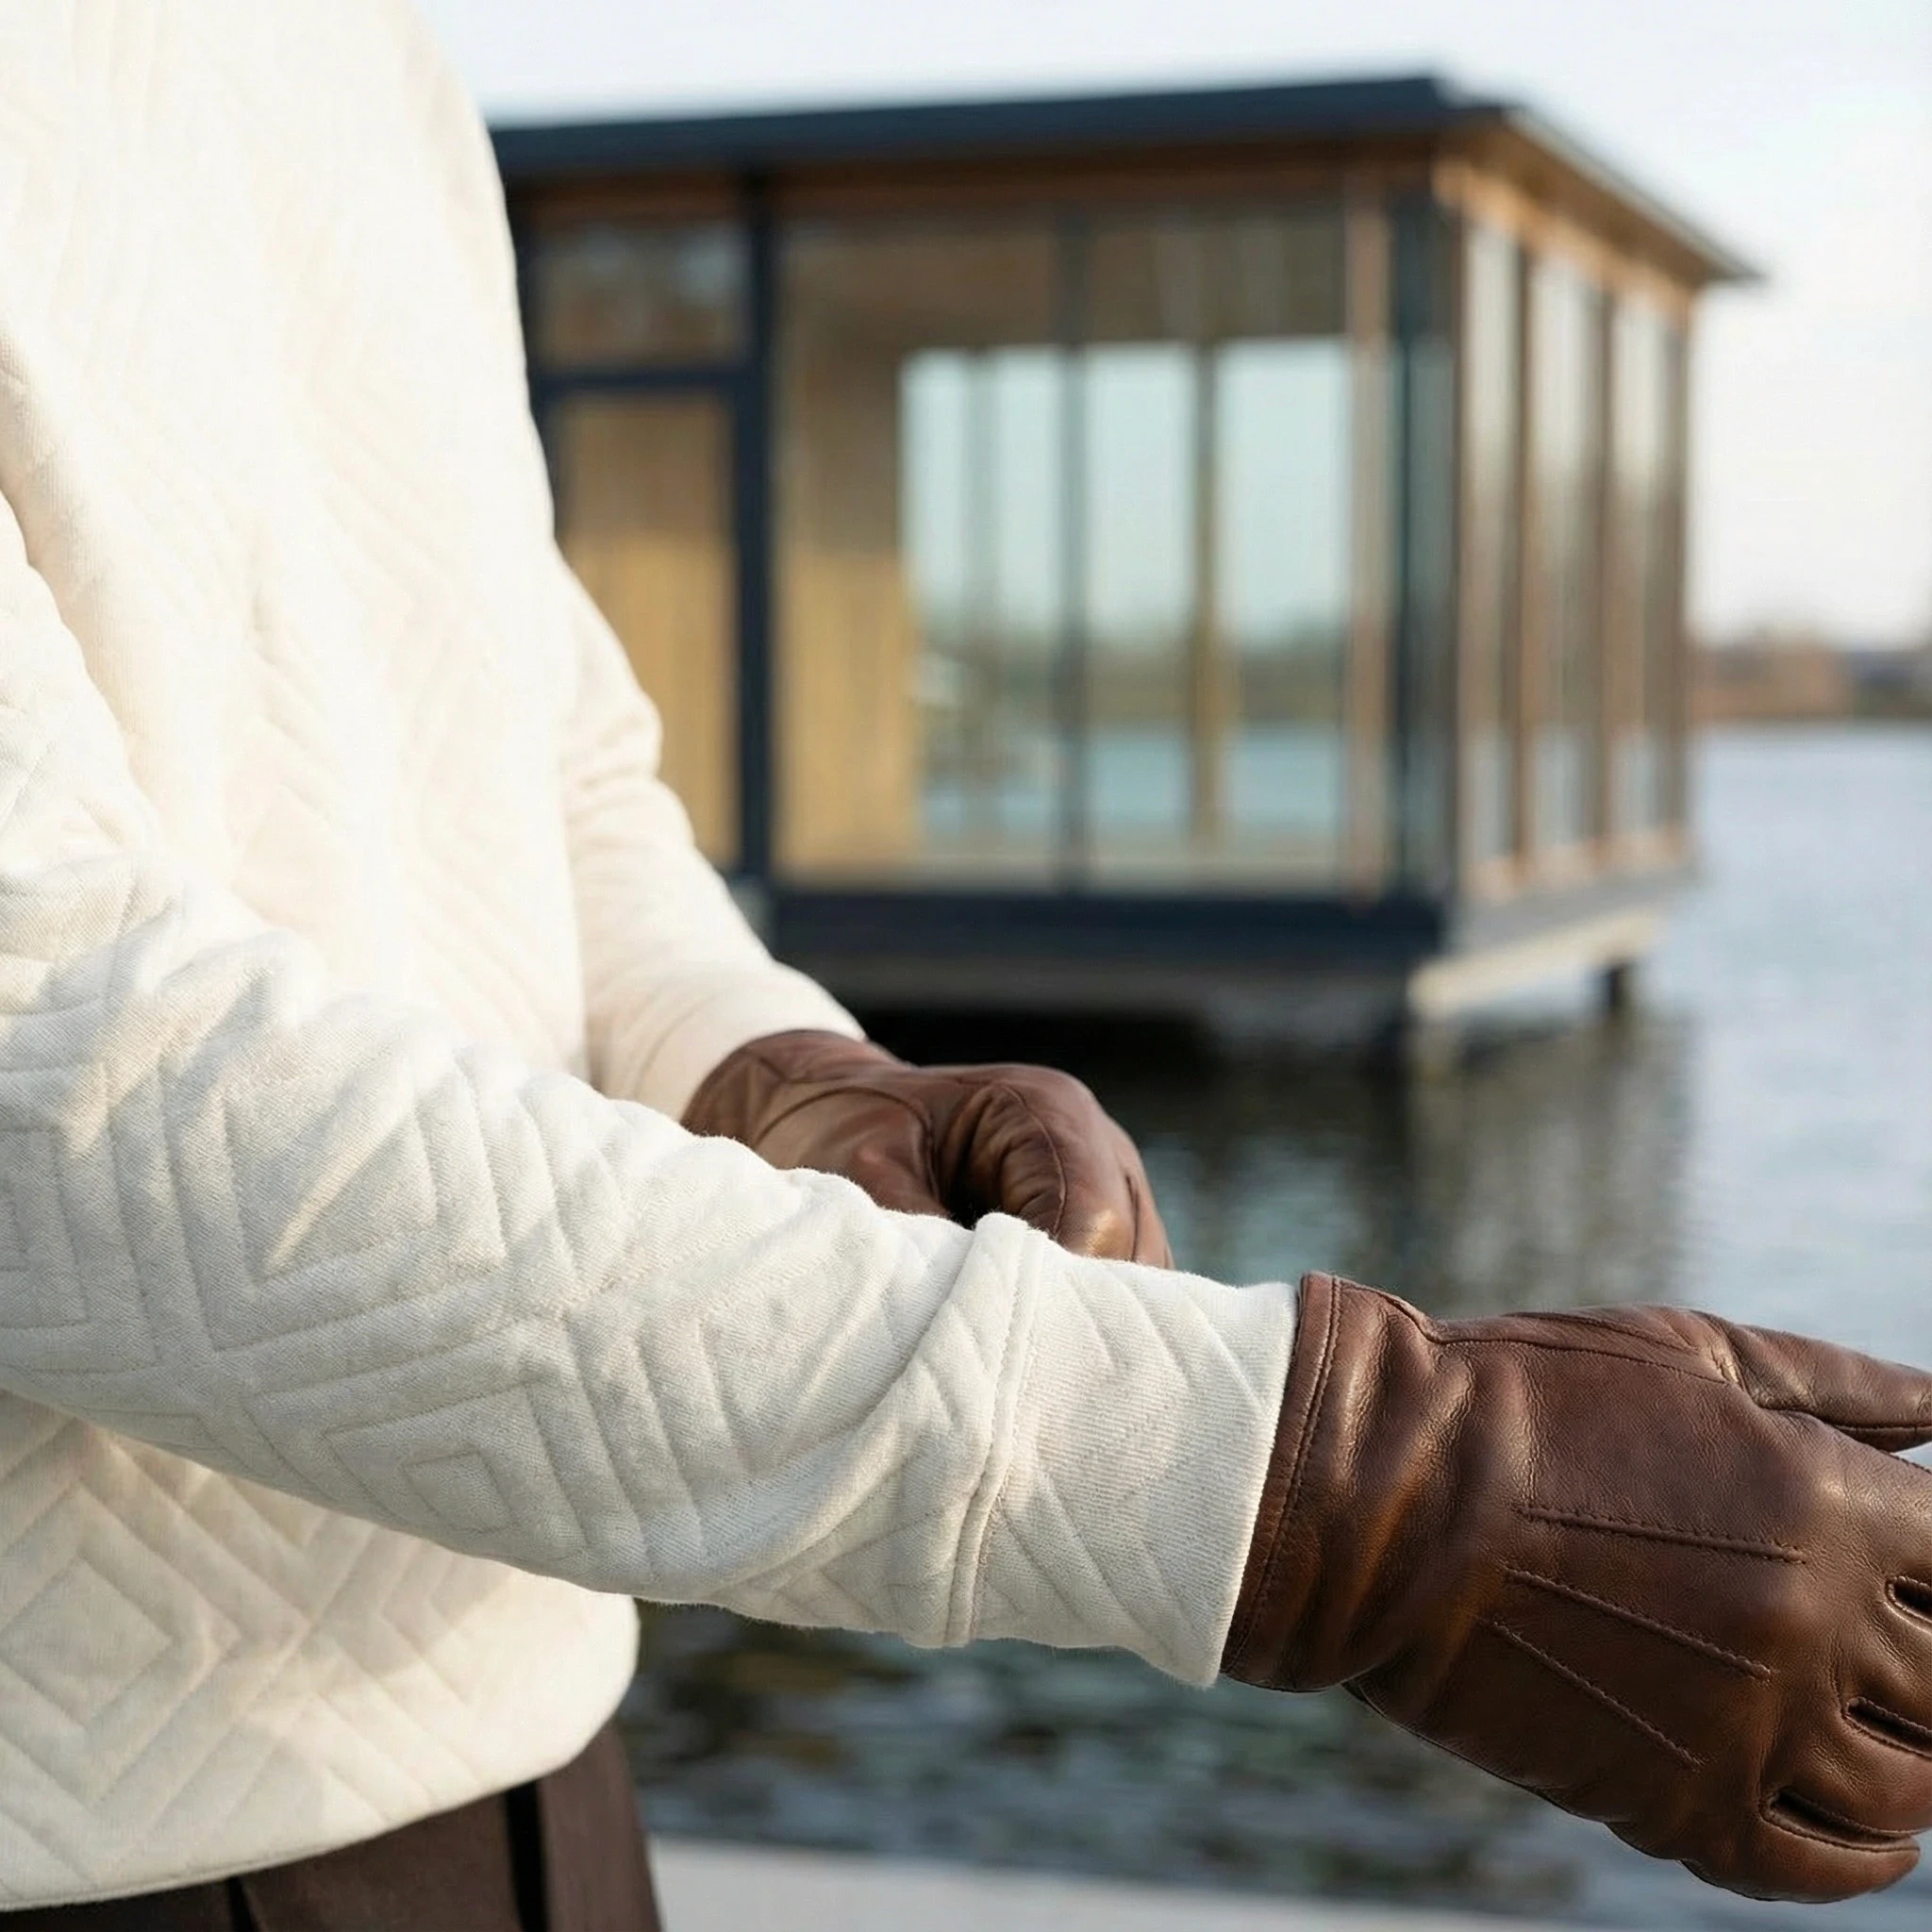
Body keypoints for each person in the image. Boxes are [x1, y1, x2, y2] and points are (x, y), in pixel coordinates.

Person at [0, 6, 1928, 1925]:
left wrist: (753, 1062)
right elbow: (68, 1081)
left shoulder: (365, 55)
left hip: (533, 1773)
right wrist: (1358, 1498)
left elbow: (540, 749)